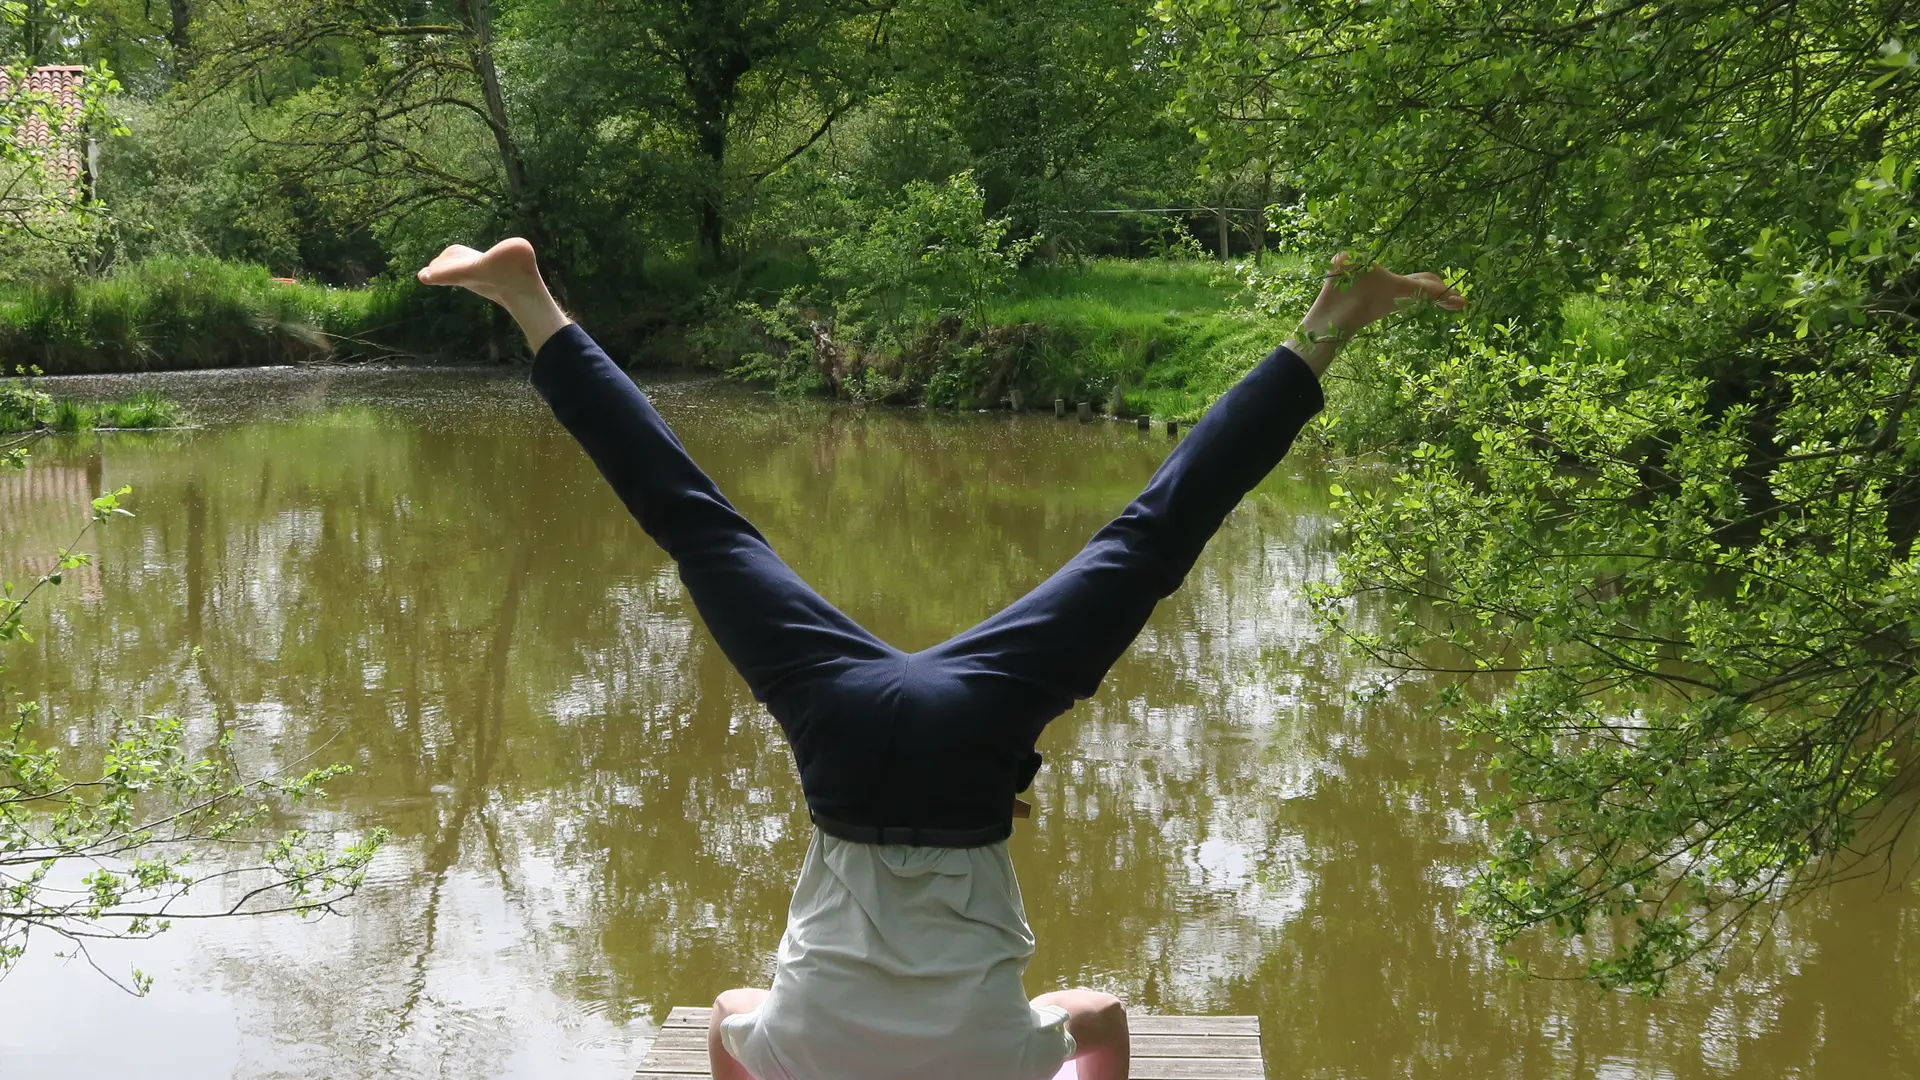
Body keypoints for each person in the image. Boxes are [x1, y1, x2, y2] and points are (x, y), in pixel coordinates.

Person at [417, 238, 1464, 1080]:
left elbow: (1099, 1019)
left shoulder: (1008, 1064)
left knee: (1147, 543)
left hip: (975, 749)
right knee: (699, 528)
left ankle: (1331, 321)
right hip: (843, 741)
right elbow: (731, 1021)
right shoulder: (795, 1055)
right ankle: (531, 303)